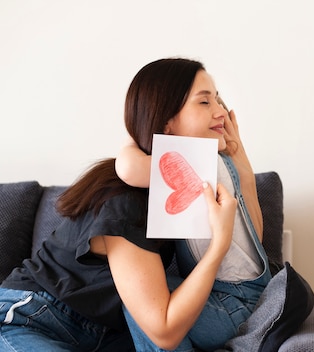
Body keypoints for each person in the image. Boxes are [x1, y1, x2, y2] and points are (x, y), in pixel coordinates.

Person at [0, 58, 271, 351]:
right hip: (32, 316)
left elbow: (254, 242)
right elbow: (163, 331)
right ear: (166, 121)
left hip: (101, 331)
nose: (220, 111)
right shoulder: (124, 202)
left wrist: (242, 163)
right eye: (204, 102)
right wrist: (219, 244)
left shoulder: (192, 181)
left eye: (218, 98)